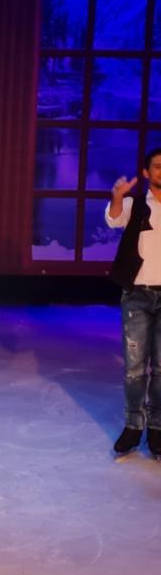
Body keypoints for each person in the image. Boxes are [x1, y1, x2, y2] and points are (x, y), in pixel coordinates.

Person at [105, 147, 161, 459]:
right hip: (137, 295)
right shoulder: (135, 204)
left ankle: (157, 427)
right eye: (157, 166)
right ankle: (132, 425)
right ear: (146, 172)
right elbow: (113, 219)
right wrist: (117, 196)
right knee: (135, 368)